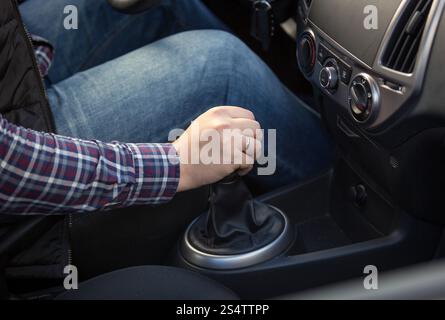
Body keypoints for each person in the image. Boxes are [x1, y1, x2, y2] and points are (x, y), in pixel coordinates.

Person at [0, 0, 332, 284]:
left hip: (16, 55)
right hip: (20, 135)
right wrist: (176, 164)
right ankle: (341, 179)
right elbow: (7, 165)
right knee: (225, 67)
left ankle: (286, 96)